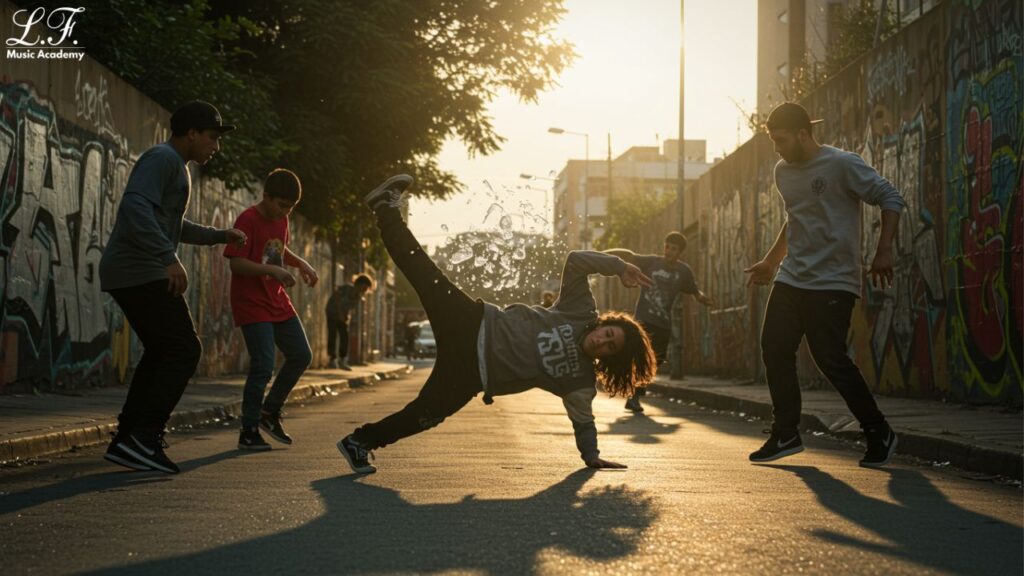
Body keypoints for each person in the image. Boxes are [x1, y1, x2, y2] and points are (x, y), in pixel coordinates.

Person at [336, 175, 658, 474]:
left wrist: (592, 456)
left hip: (471, 375)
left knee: (426, 416)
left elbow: (584, 422)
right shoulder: (580, 311)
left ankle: (359, 442)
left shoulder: (581, 382)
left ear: (610, 359)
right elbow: (576, 261)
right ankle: (386, 209)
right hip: (472, 322)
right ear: (605, 323)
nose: (602, 342)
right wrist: (618, 267)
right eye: (608, 334)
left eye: (610, 347)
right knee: (422, 270)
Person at [744, 102, 905, 468]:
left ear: (803, 134)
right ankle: (786, 432)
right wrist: (771, 261)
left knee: (829, 358)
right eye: (773, 141)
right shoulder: (783, 172)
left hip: (833, 280)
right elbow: (795, 217)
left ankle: (877, 430)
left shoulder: (842, 164)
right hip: (792, 276)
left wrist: (883, 251)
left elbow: (891, 198)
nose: (777, 149)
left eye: (781, 140)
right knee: (774, 346)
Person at [100, 100, 245, 473]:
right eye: (212, 137)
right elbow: (135, 208)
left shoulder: (176, 165)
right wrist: (167, 257)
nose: (216, 146)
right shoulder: (162, 158)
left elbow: (171, 224)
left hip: (137, 270)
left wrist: (219, 235)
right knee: (183, 349)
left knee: (163, 350)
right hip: (138, 270)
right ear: (191, 133)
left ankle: (129, 438)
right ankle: (143, 437)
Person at [223, 169, 317, 451]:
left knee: (301, 355)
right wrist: (272, 271)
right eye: (281, 205)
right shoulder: (247, 220)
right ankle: (249, 430)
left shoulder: (282, 219)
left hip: (276, 301)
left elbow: (277, 248)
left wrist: (301, 263)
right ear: (266, 196)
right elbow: (236, 263)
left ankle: (269, 412)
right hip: (251, 303)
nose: (284, 212)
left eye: (290, 208)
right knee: (263, 365)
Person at [605, 232, 713, 413]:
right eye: (667, 247)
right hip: (644, 319)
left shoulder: (683, 271)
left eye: (674, 249)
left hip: (663, 324)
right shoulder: (651, 262)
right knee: (640, 356)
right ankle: (635, 396)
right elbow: (629, 255)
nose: (669, 251)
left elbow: (694, 291)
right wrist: (601, 254)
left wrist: (702, 298)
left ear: (680, 252)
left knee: (656, 361)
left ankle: (635, 392)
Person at [325, 274, 374, 369]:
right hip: (332, 312)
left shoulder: (358, 297)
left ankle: (342, 359)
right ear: (359, 284)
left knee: (344, 335)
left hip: (342, 315)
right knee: (332, 334)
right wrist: (340, 313)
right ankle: (332, 359)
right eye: (365, 286)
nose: (365, 289)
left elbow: (350, 309)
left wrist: (346, 317)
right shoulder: (347, 288)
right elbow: (337, 298)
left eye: (367, 288)